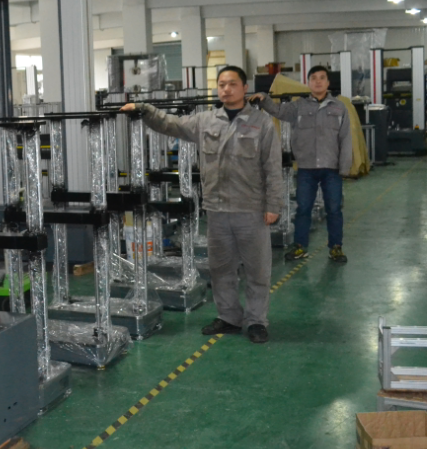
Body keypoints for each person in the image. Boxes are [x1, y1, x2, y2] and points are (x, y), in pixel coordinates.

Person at [121, 66, 282, 344]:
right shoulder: (205, 120)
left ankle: (256, 320)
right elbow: (171, 124)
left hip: (251, 209)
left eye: (232, 84)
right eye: (221, 84)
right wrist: (144, 110)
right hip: (217, 210)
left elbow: (273, 167)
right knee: (221, 269)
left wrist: (274, 205)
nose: (226, 89)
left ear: (245, 88)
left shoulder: (262, 123)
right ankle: (229, 317)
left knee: (257, 270)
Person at [250, 64, 352, 264]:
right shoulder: (298, 106)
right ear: (308, 83)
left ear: (328, 83)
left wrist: (345, 167)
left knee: (334, 209)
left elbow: (345, 138)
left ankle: (336, 247)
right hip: (306, 168)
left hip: (331, 168)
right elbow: (278, 111)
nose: (318, 81)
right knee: (303, 208)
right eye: (313, 78)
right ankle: (300, 246)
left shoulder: (339, 108)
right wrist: (264, 98)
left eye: (322, 78)